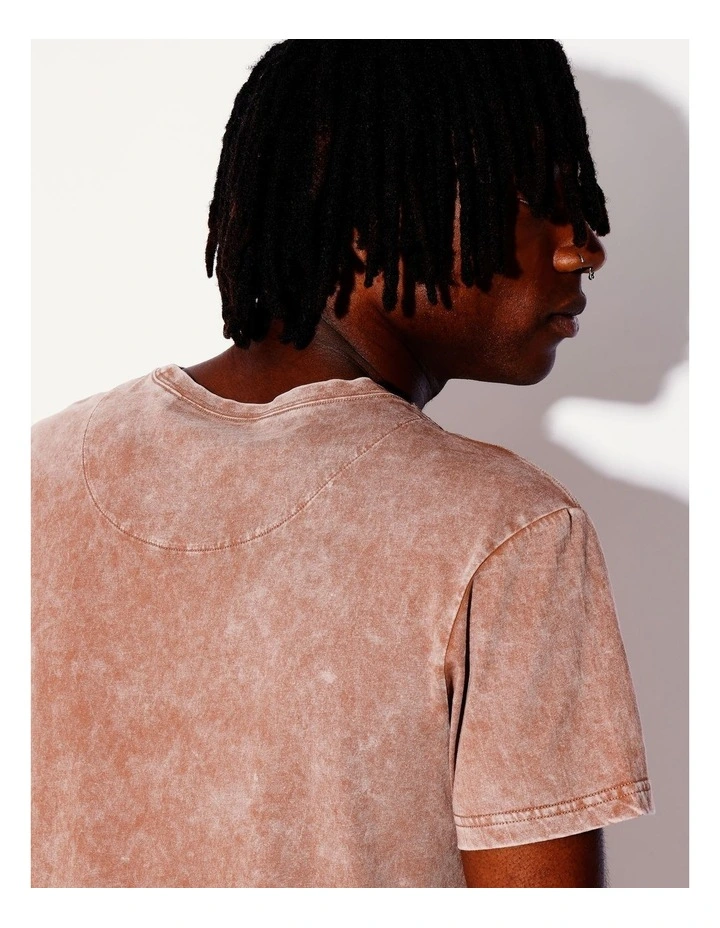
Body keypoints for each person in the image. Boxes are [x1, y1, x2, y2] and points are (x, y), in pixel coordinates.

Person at [31, 39, 654, 888]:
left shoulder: (36, 474)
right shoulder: (509, 530)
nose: (583, 248)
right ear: (371, 212)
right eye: (539, 199)